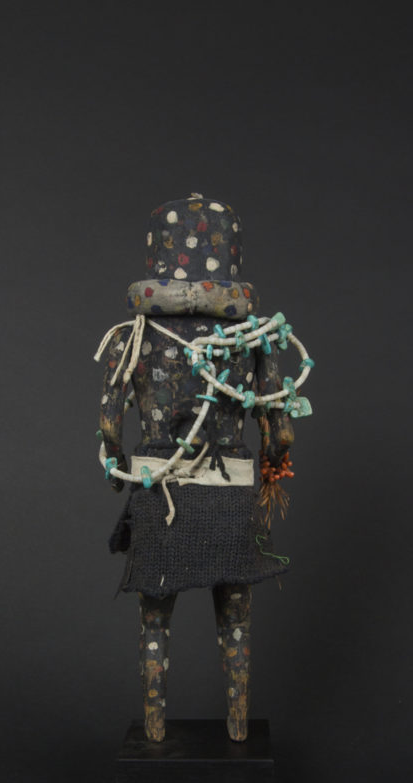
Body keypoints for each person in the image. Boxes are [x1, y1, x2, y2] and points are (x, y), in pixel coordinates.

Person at [95, 194, 312, 742]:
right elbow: (280, 430)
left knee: (154, 618)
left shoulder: (133, 337)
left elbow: (108, 426)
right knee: (235, 618)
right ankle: (238, 726)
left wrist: (118, 470)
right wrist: (274, 468)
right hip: (229, 494)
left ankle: (154, 728)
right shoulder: (251, 339)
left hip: (158, 492)